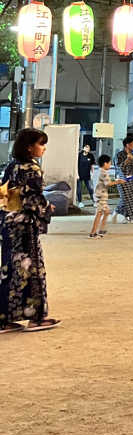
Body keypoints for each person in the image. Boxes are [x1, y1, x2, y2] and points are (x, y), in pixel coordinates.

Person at [0, 128, 59, 333]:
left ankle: (4, 319)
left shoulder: (12, 166)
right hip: (25, 225)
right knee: (32, 269)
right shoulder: (32, 169)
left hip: (8, 223)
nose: (43, 148)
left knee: (10, 269)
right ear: (29, 147)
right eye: (40, 144)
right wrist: (47, 208)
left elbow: (5, 194)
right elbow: (34, 199)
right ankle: (36, 317)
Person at [88, 155, 116, 239]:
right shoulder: (103, 172)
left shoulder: (97, 171)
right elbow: (108, 183)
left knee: (106, 212)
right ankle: (93, 232)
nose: (110, 165)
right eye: (109, 163)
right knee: (99, 213)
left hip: (99, 195)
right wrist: (118, 182)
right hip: (100, 196)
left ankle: (101, 229)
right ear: (105, 163)